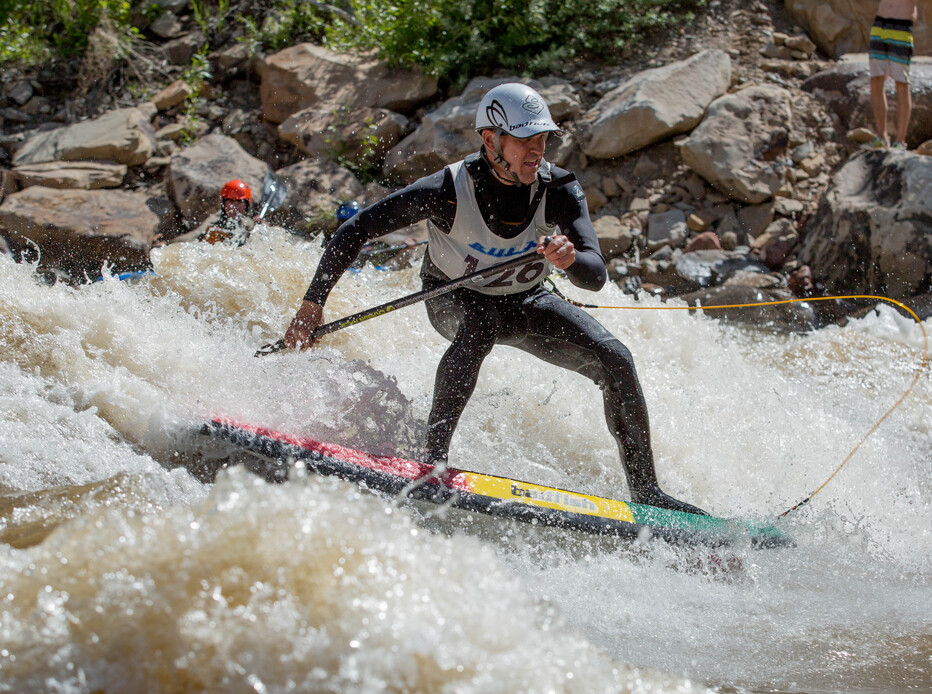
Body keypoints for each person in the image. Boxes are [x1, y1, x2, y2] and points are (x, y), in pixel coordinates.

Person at [280, 83, 706, 515]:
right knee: (482, 323)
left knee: (615, 357)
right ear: (490, 140)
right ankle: (432, 463)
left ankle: (647, 493)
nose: (537, 150)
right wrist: (311, 306)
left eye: (542, 139)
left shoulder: (557, 188)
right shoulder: (446, 189)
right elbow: (355, 230)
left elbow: (594, 276)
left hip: (525, 300)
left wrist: (571, 259)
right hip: (451, 298)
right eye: (525, 140)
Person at [868, 0, 918, 149]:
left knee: (901, 83)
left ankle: (900, 142)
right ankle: (881, 137)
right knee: (876, 80)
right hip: (880, 25)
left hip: (901, 26)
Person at [200, 179, 255, 245]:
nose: (235, 207)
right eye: (231, 201)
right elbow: (193, 238)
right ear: (224, 203)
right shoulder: (213, 223)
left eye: (239, 202)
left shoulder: (250, 224)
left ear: (246, 204)